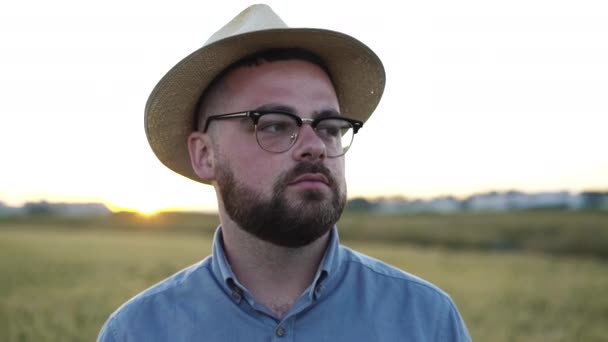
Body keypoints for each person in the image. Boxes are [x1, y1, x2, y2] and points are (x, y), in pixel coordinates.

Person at [98, 4, 471, 341]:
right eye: (274, 124)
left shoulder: (427, 320)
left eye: (330, 126)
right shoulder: (138, 332)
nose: (315, 145)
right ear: (205, 154)